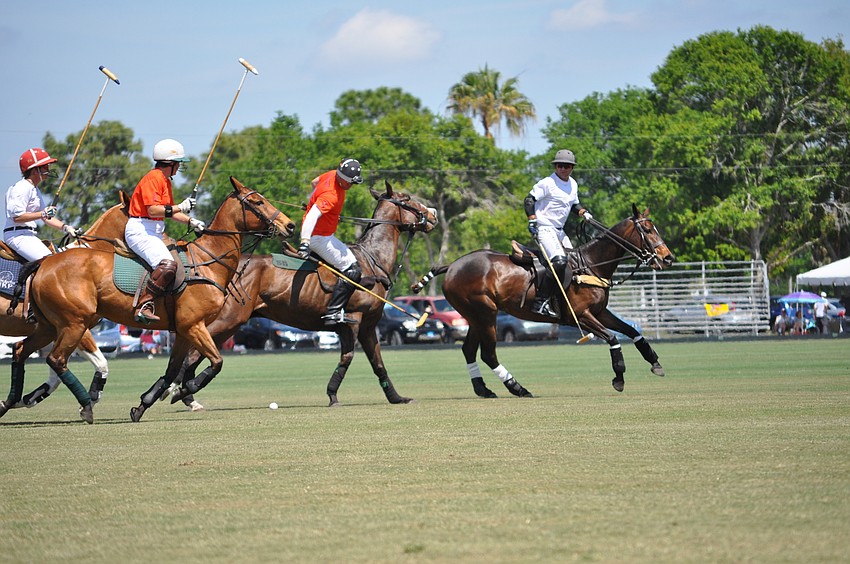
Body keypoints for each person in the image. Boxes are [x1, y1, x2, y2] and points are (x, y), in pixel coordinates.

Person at [125, 139, 205, 322]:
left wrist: (191, 221)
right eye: (179, 163)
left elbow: (167, 211)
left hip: (154, 231)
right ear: (171, 163)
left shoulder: (164, 180)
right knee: (168, 265)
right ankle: (144, 305)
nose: (179, 167)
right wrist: (181, 206)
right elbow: (154, 210)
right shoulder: (153, 178)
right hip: (141, 230)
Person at [525, 149, 593, 317]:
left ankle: (569, 301)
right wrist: (532, 218)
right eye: (559, 165)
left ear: (572, 168)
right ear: (555, 166)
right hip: (545, 228)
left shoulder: (573, 184)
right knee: (560, 261)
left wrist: (583, 212)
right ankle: (540, 301)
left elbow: (574, 204)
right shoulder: (547, 183)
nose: (563, 168)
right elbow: (529, 200)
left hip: (559, 231)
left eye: (567, 166)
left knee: (577, 262)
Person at [296, 158, 364, 325]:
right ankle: (333, 312)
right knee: (352, 269)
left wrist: (314, 201)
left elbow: (314, 182)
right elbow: (311, 217)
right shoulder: (331, 196)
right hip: (318, 237)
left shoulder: (332, 175)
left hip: (323, 233)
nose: (351, 186)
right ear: (341, 178)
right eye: (350, 183)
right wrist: (305, 242)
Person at [4, 148, 82, 261]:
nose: (48, 169)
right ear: (34, 170)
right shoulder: (22, 188)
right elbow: (17, 217)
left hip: (28, 235)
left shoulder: (35, 189)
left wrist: (66, 228)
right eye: (45, 166)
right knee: (50, 262)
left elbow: (46, 218)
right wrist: (42, 213)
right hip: (17, 236)